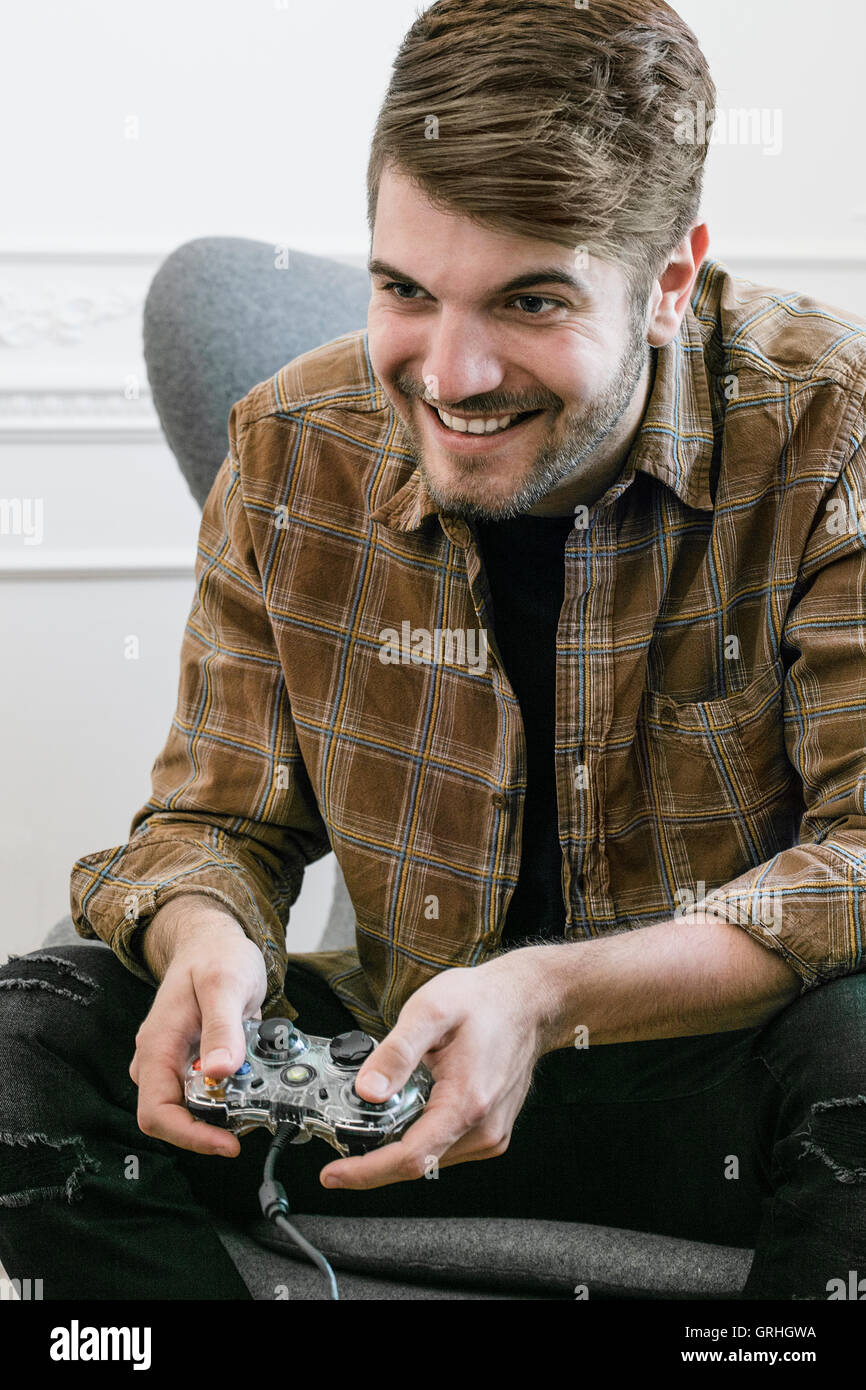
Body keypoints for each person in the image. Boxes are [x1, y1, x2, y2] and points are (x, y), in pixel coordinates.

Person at [2, 0, 865, 1301]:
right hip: (386, 1084)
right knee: (29, 1039)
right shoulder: (293, 444)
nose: (450, 376)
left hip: (722, 1102)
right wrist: (206, 938)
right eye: (405, 290)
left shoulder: (831, 430)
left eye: (531, 300)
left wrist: (548, 996)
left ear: (668, 284)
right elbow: (210, 822)